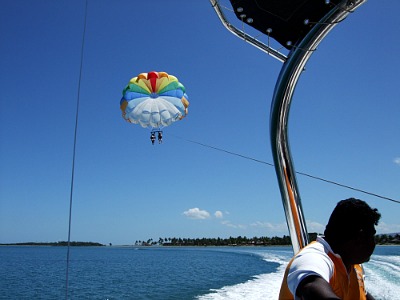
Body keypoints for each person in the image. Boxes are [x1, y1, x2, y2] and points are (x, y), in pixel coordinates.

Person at [279, 198, 381, 300]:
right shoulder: (312, 258)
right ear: (360, 237)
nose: (373, 243)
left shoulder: (353, 265)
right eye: (372, 236)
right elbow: (310, 288)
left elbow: (363, 294)